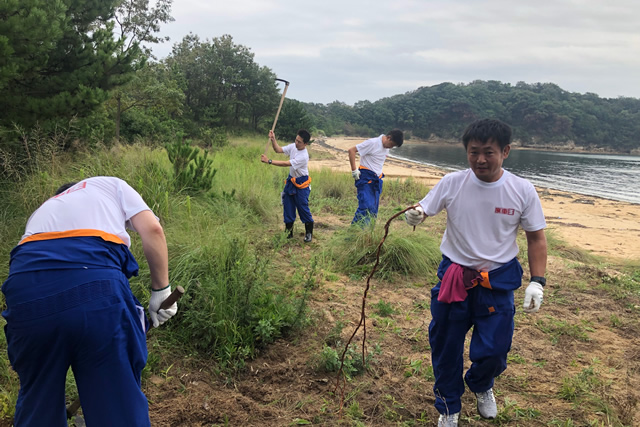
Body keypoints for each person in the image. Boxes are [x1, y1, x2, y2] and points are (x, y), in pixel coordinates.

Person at [404, 119, 547, 427]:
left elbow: (536, 237)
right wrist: (416, 215)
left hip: (496, 281)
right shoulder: (452, 182)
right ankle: (449, 406)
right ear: (466, 151)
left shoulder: (521, 190)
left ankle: (481, 384)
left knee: (496, 349)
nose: (480, 159)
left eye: (489, 152)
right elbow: (425, 207)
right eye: (473, 152)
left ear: (505, 151)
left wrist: (537, 281)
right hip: (454, 276)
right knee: (445, 344)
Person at [2, 176, 178, 427]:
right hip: (96, 288)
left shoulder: (42, 211)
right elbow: (153, 229)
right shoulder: (110, 185)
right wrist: (161, 290)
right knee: (118, 407)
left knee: (36, 402)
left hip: (26, 294)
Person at [261, 129, 314, 242]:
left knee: (302, 207)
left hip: (302, 182)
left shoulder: (304, 156)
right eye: (296, 140)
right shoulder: (293, 146)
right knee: (288, 205)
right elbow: (278, 150)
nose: (296, 143)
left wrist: (269, 161)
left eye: (299, 142)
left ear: (305, 144)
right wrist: (273, 139)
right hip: (291, 180)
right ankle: (288, 233)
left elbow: (286, 163)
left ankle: (309, 232)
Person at [348, 129, 404, 225]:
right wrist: (354, 170)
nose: (390, 147)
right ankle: (354, 234)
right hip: (366, 178)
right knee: (366, 206)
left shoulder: (386, 148)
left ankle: (368, 234)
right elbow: (352, 150)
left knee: (373, 209)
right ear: (388, 137)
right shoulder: (372, 143)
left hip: (377, 180)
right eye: (391, 145)